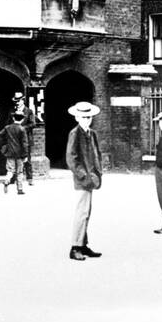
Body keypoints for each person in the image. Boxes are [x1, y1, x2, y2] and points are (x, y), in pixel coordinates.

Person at [65, 101, 103, 261]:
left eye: (89, 117)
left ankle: (83, 244)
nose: (87, 119)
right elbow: (71, 158)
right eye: (83, 117)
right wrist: (83, 176)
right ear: (77, 117)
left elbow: (97, 154)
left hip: (92, 178)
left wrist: (98, 174)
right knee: (81, 213)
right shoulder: (75, 133)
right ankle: (75, 247)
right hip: (83, 180)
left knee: (86, 212)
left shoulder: (91, 133)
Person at [0, 111, 29, 194]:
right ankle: (20, 189)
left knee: (10, 170)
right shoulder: (22, 129)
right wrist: (26, 155)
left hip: (10, 152)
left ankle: (6, 180)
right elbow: (25, 143)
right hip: (20, 154)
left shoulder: (7, 127)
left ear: (13, 118)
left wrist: (4, 144)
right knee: (19, 171)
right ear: (22, 119)